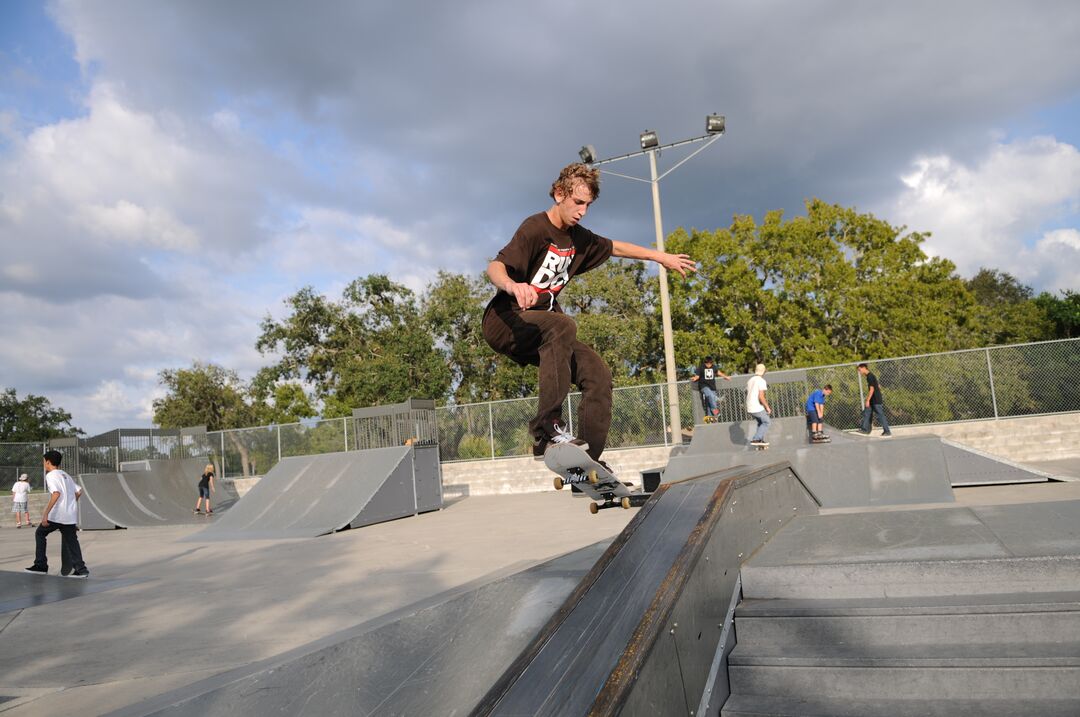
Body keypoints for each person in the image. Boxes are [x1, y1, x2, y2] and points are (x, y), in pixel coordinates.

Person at [482, 162, 696, 478]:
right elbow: (495, 267)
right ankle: (546, 428)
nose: (582, 212)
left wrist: (659, 256)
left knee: (598, 373)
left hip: (544, 332)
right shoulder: (535, 228)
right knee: (563, 324)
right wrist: (514, 285)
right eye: (577, 203)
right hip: (506, 322)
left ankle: (586, 460)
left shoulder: (579, 240)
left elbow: (615, 247)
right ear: (559, 194)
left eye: (588, 206)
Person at [25, 450, 89, 578]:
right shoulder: (65, 475)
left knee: (40, 533)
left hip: (57, 515)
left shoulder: (51, 475)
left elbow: (56, 493)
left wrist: (45, 514)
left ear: (48, 462)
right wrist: (70, 505)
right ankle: (81, 570)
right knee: (72, 541)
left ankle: (41, 565)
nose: (43, 464)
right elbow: (79, 491)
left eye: (44, 462)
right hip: (69, 516)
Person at [857, 363, 892, 436]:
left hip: (875, 400)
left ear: (864, 368)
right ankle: (865, 430)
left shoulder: (870, 376)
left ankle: (887, 431)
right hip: (873, 399)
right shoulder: (870, 376)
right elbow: (878, 386)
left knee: (880, 415)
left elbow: (872, 389)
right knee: (867, 413)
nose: (859, 372)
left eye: (859, 370)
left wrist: (867, 400)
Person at [746, 364, 772, 446]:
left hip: (749, 406)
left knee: (761, 422)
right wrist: (767, 407)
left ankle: (759, 440)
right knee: (767, 422)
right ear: (764, 371)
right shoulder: (761, 381)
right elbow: (761, 396)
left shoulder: (750, 380)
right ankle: (756, 439)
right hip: (756, 406)